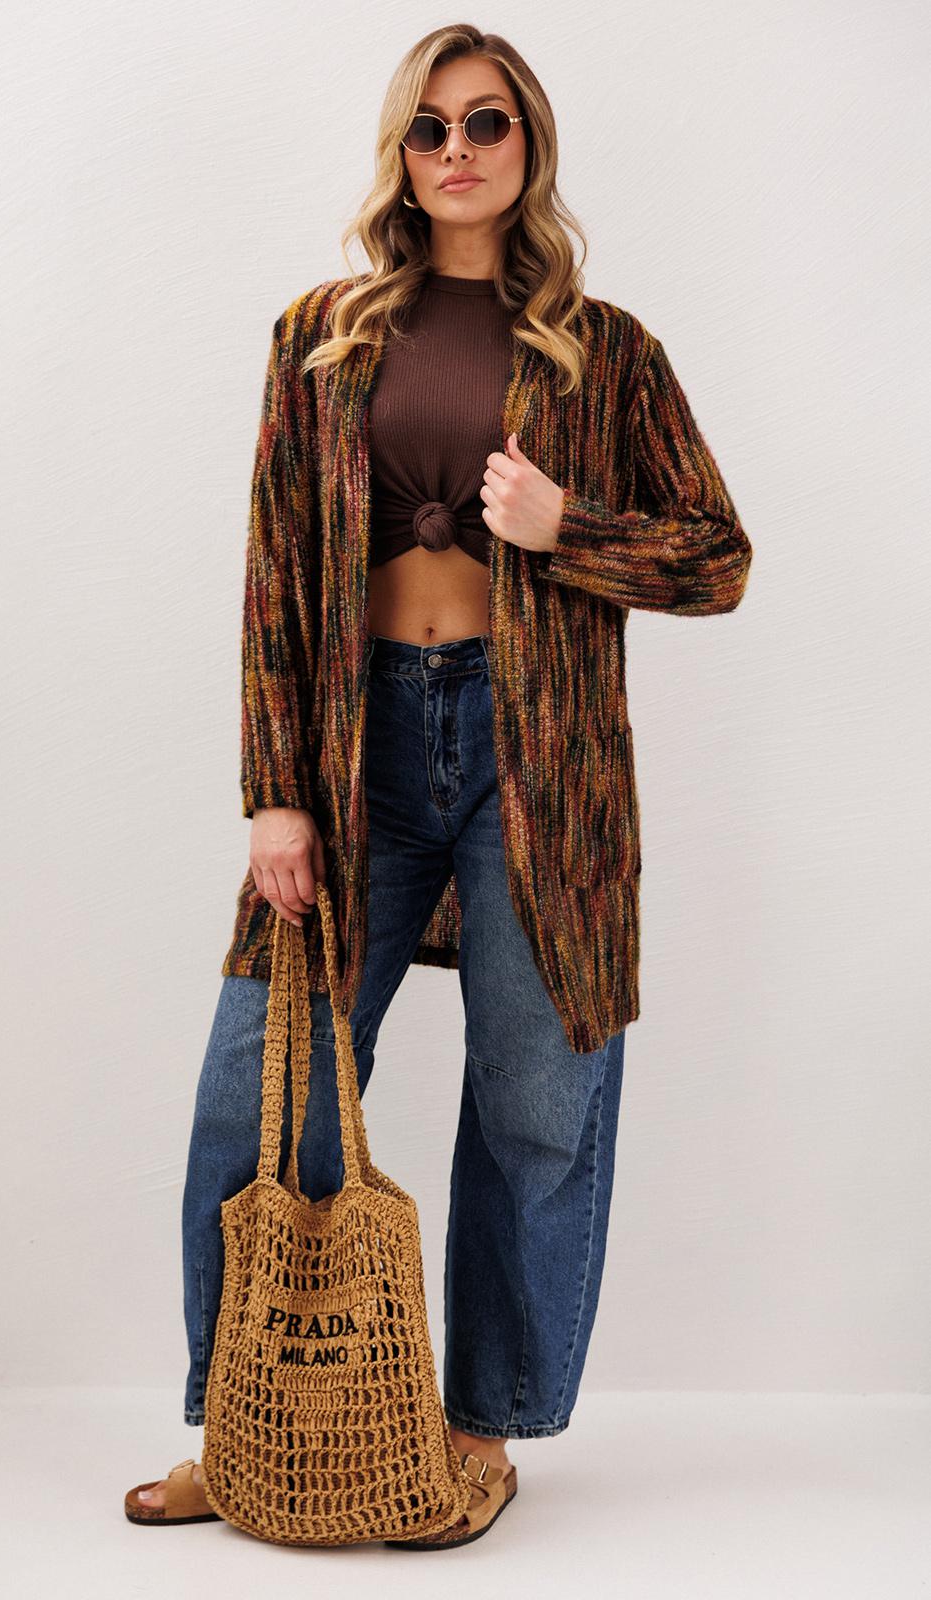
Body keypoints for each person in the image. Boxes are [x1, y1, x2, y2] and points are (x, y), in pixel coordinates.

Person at [125, 23, 752, 1547]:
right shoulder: (322, 333)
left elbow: (716, 559)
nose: (456, 149)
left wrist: (563, 529)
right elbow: (275, 571)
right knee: (258, 1095)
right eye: (428, 127)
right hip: (359, 760)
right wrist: (275, 792)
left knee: (536, 1105)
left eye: (485, 122)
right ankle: (244, 1427)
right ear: (399, 156)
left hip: (541, 764)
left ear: (528, 144)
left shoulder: (606, 351)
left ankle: (480, 1433)